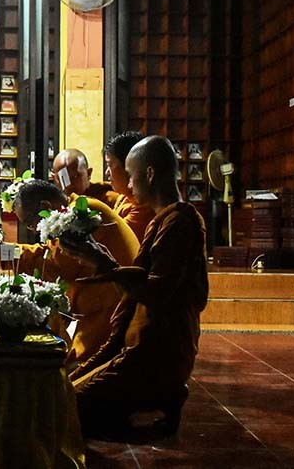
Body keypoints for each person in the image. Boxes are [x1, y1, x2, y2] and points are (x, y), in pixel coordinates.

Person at [62, 136, 208, 438]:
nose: (127, 186)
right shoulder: (161, 221)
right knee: (62, 394)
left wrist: (106, 265)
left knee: (64, 412)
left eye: (131, 175)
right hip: (135, 346)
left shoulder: (181, 223)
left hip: (157, 356)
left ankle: (163, 394)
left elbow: (156, 294)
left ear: (150, 174)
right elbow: (134, 290)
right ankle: (146, 399)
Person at [13, 179, 139, 365]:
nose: (33, 229)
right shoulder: (71, 213)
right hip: (103, 307)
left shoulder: (82, 211)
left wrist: (9, 253)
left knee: (70, 370)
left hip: (115, 309)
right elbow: (50, 255)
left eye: (31, 223)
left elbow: (60, 265)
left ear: (45, 206)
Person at [104, 131, 155, 240]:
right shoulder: (124, 196)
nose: (107, 172)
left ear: (129, 166)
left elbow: (112, 239)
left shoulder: (143, 208)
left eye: (110, 165)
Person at [52, 148, 120, 208]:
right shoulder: (53, 204)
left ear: (88, 173)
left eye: (76, 177)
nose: (69, 184)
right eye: (63, 178)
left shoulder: (110, 199)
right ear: (54, 178)